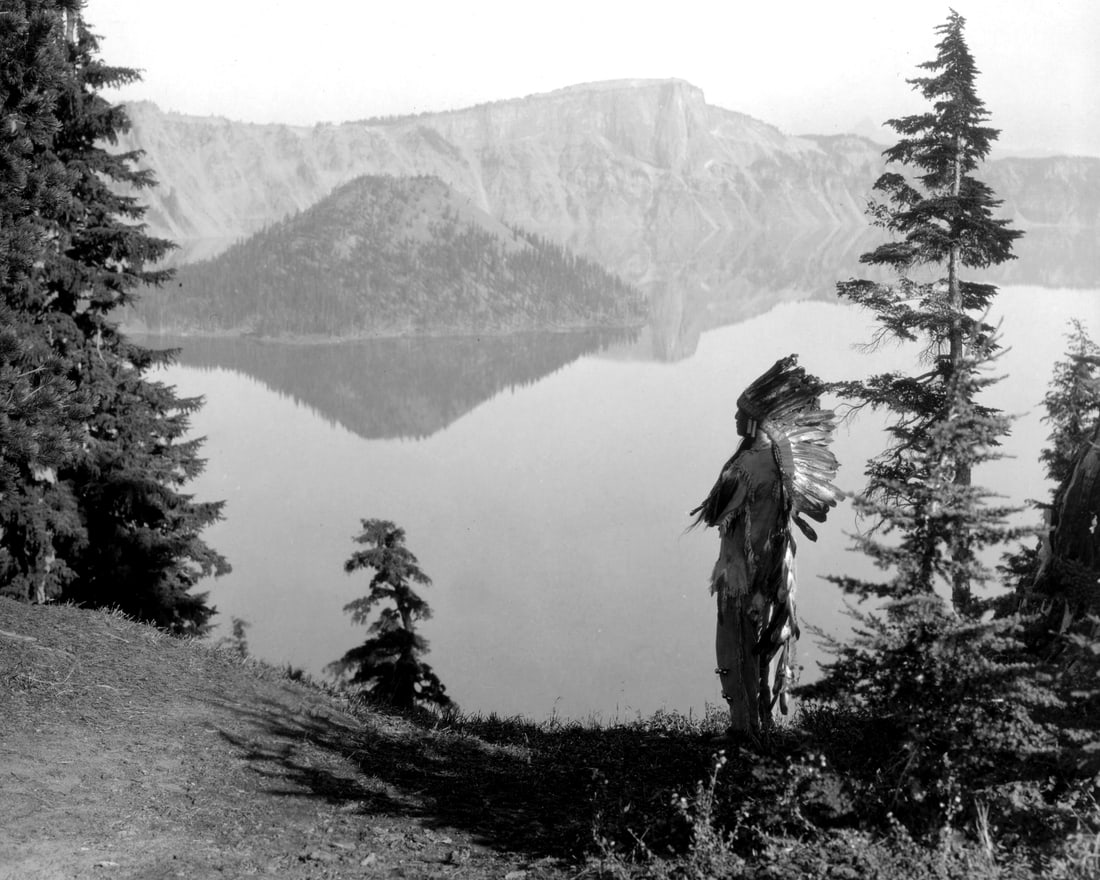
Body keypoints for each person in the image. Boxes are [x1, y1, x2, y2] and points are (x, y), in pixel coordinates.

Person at [691, 355, 841, 735]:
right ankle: (765, 724)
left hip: (740, 571)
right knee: (765, 647)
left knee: (736, 648)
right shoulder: (781, 460)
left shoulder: (744, 467)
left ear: (755, 419)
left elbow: (713, 512)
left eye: (740, 413)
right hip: (775, 570)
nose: (735, 419)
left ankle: (744, 730)